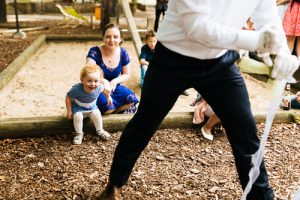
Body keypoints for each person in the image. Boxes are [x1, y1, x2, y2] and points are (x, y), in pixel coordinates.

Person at [99, 1, 299, 199]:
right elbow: (197, 29)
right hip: (173, 58)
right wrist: (257, 41)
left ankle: (261, 197)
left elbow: (268, 18)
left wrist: (282, 52)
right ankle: (114, 183)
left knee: (245, 129)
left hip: (219, 61)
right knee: (144, 123)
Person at [86, 23, 138, 115]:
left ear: (120, 39)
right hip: (96, 88)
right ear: (103, 38)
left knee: (132, 99)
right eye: (108, 37)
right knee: (107, 107)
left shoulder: (123, 52)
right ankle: (112, 110)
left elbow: (126, 74)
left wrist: (114, 81)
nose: (111, 40)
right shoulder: (94, 51)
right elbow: (88, 72)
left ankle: (114, 110)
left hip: (114, 88)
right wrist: (104, 82)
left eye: (115, 37)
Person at [65, 63, 111, 145]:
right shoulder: (76, 89)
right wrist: (69, 111)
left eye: (96, 81)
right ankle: (79, 134)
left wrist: (108, 97)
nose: (93, 84)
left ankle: (100, 130)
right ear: (82, 80)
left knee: (97, 114)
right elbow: (68, 97)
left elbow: (105, 90)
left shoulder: (99, 87)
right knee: (78, 117)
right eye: (89, 81)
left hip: (92, 108)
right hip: (78, 108)